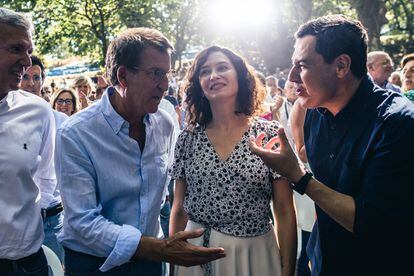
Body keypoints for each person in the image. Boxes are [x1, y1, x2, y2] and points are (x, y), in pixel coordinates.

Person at [250, 15, 414, 276]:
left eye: (301, 65)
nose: (292, 78)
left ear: (341, 65)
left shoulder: (397, 123)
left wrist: (299, 177)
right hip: (322, 259)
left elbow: (370, 220)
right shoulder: (314, 112)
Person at [55, 27, 225, 275]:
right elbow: (82, 221)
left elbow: (173, 192)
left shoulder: (165, 125)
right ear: (123, 76)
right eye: (156, 74)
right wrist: (157, 248)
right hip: (94, 265)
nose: (165, 86)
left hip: (151, 263)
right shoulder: (76, 133)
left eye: (167, 74)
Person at [169, 45, 297, 276]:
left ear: (240, 75)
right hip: (194, 256)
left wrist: (288, 269)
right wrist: (172, 264)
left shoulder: (268, 134)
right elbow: (178, 208)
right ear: (199, 84)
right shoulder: (187, 138)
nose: (213, 76)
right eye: (205, 72)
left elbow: (285, 210)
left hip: (254, 255)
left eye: (222, 68)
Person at [0, 8, 55, 275]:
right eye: (16, 49)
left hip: (27, 264)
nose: (27, 60)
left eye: (29, 50)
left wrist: (24, 231)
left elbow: (47, 178)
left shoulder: (39, 111)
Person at [19, 55, 67, 263]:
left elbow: (60, 171)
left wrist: (40, 211)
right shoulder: (9, 120)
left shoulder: (61, 120)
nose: (31, 83)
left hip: (52, 220)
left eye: (36, 78)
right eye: (25, 77)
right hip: (18, 222)